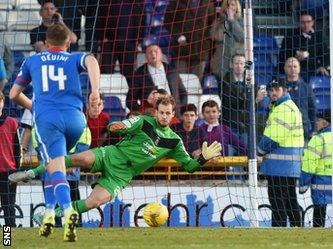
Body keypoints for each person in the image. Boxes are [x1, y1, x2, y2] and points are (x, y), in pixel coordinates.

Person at [9, 96, 223, 227]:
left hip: (121, 175)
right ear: (156, 112)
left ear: (173, 114)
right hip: (112, 155)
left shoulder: (174, 142)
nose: (165, 116)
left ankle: (53, 216)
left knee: (94, 202)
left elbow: (189, 167)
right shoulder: (143, 121)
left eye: (168, 113)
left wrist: (203, 158)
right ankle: (32, 173)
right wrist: (118, 126)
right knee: (79, 158)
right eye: (161, 112)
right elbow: (115, 127)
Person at [8, 23, 100, 242]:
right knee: (54, 165)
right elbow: (92, 60)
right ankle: (49, 212)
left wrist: (34, 106)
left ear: (46, 43)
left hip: (49, 121)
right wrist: (95, 91)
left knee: (54, 165)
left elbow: (13, 94)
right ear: (68, 42)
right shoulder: (72, 58)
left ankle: (68, 211)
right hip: (77, 121)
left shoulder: (32, 60)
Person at [257, 80, 305, 227]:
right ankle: (298, 229)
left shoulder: (283, 108)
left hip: (280, 166)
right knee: (290, 200)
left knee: (278, 201)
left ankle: (279, 231)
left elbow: (273, 137)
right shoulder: (286, 107)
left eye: (276, 89)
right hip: (287, 166)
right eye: (271, 90)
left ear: (284, 90)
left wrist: (258, 152)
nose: (273, 93)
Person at [299, 110, 333, 227]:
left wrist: (303, 184)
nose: (316, 123)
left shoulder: (317, 139)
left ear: (325, 123)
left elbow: (309, 164)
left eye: (318, 120)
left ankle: (318, 238)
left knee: (319, 214)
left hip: (320, 187)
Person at [127, 44, 187, 112]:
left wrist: (180, 110)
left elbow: (183, 93)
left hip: (174, 114)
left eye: (156, 51)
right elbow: (130, 100)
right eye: (150, 52)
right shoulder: (139, 73)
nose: (153, 53)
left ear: (161, 55)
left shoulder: (172, 71)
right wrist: (142, 112)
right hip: (152, 115)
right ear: (146, 56)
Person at [165, 0, 215, 79]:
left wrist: (206, 36)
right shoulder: (176, 2)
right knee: (180, 82)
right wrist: (178, 36)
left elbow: (212, 22)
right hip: (181, 49)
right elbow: (168, 21)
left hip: (200, 50)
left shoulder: (208, 3)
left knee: (195, 84)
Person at [278, 12, 329, 77]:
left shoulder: (318, 37)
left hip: (313, 71)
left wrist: (322, 66)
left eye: (308, 22)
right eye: (303, 22)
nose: (306, 25)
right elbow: (282, 56)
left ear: (313, 22)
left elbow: (326, 55)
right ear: (299, 23)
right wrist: (295, 58)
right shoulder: (290, 36)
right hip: (293, 71)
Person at [209, 0, 245, 79]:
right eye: (228, 5)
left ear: (237, 7)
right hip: (221, 62)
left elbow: (242, 37)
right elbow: (217, 37)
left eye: (233, 5)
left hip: (237, 61)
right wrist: (226, 21)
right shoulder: (218, 21)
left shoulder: (242, 21)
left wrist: (232, 20)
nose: (230, 7)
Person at [0, 92, 20, 227]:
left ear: (2, 102)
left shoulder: (12, 123)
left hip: (8, 173)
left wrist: (17, 172)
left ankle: (8, 241)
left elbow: (17, 149)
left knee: (8, 208)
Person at [284, 57, 316, 138]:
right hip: (284, 128)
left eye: (295, 66)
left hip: (303, 129)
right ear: (285, 68)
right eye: (290, 66)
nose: (292, 69)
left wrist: (314, 129)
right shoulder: (280, 87)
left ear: (299, 68)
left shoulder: (307, 87)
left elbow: (312, 109)